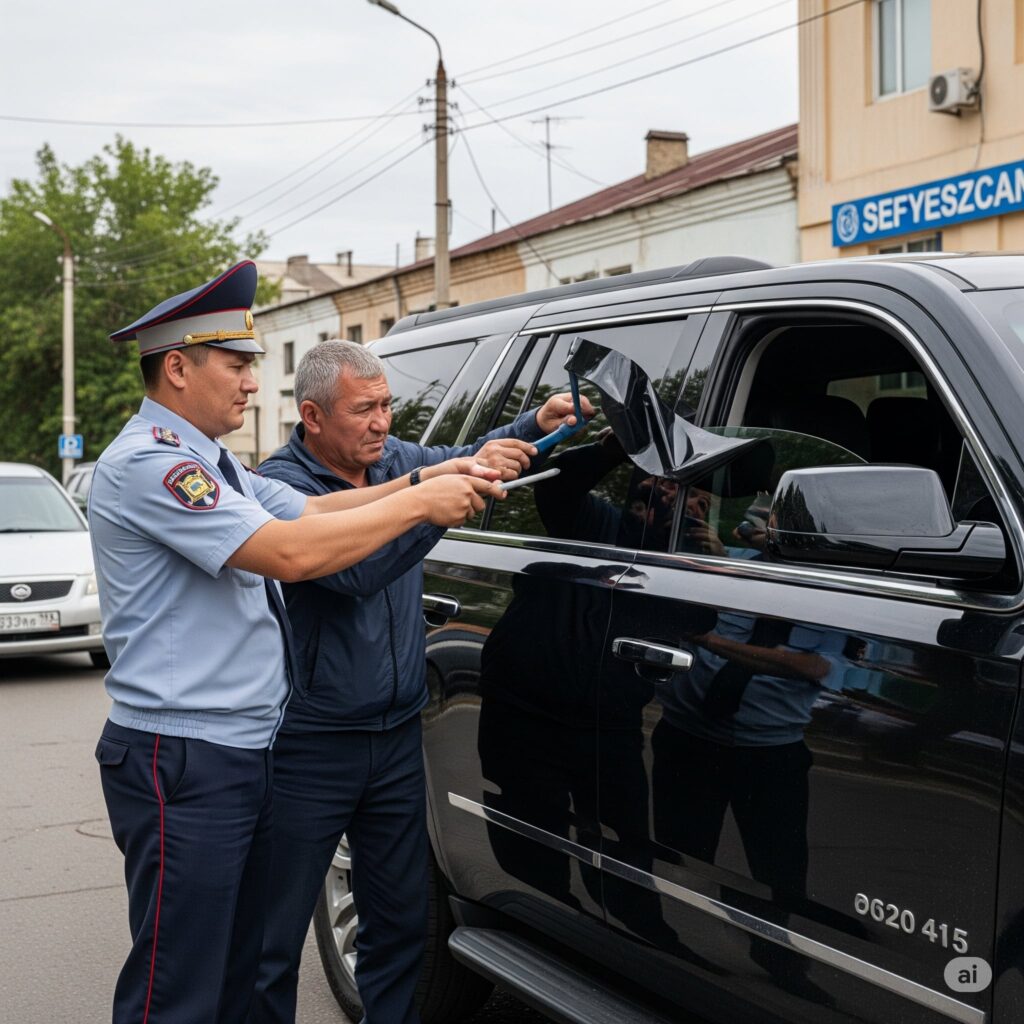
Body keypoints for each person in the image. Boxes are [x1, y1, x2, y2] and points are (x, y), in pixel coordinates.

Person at [88, 262, 504, 1024]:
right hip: (183, 755)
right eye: (237, 364)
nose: (253, 382)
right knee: (177, 987)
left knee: (235, 973)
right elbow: (290, 553)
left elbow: (315, 513)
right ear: (178, 368)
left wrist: (432, 478)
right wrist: (425, 507)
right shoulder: (153, 464)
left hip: (237, 751)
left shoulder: (214, 463)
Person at [250, 340, 593, 1024]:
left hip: (396, 738)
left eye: (387, 405)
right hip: (310, 746)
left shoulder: (394, 459)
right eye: (364, 409)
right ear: (312, 416)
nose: (382, 423)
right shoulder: (281, 486)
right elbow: (355, 573)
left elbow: (459, 458)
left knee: (401, 925)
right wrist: (430, 508)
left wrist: (534, 425)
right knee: (270, 939)